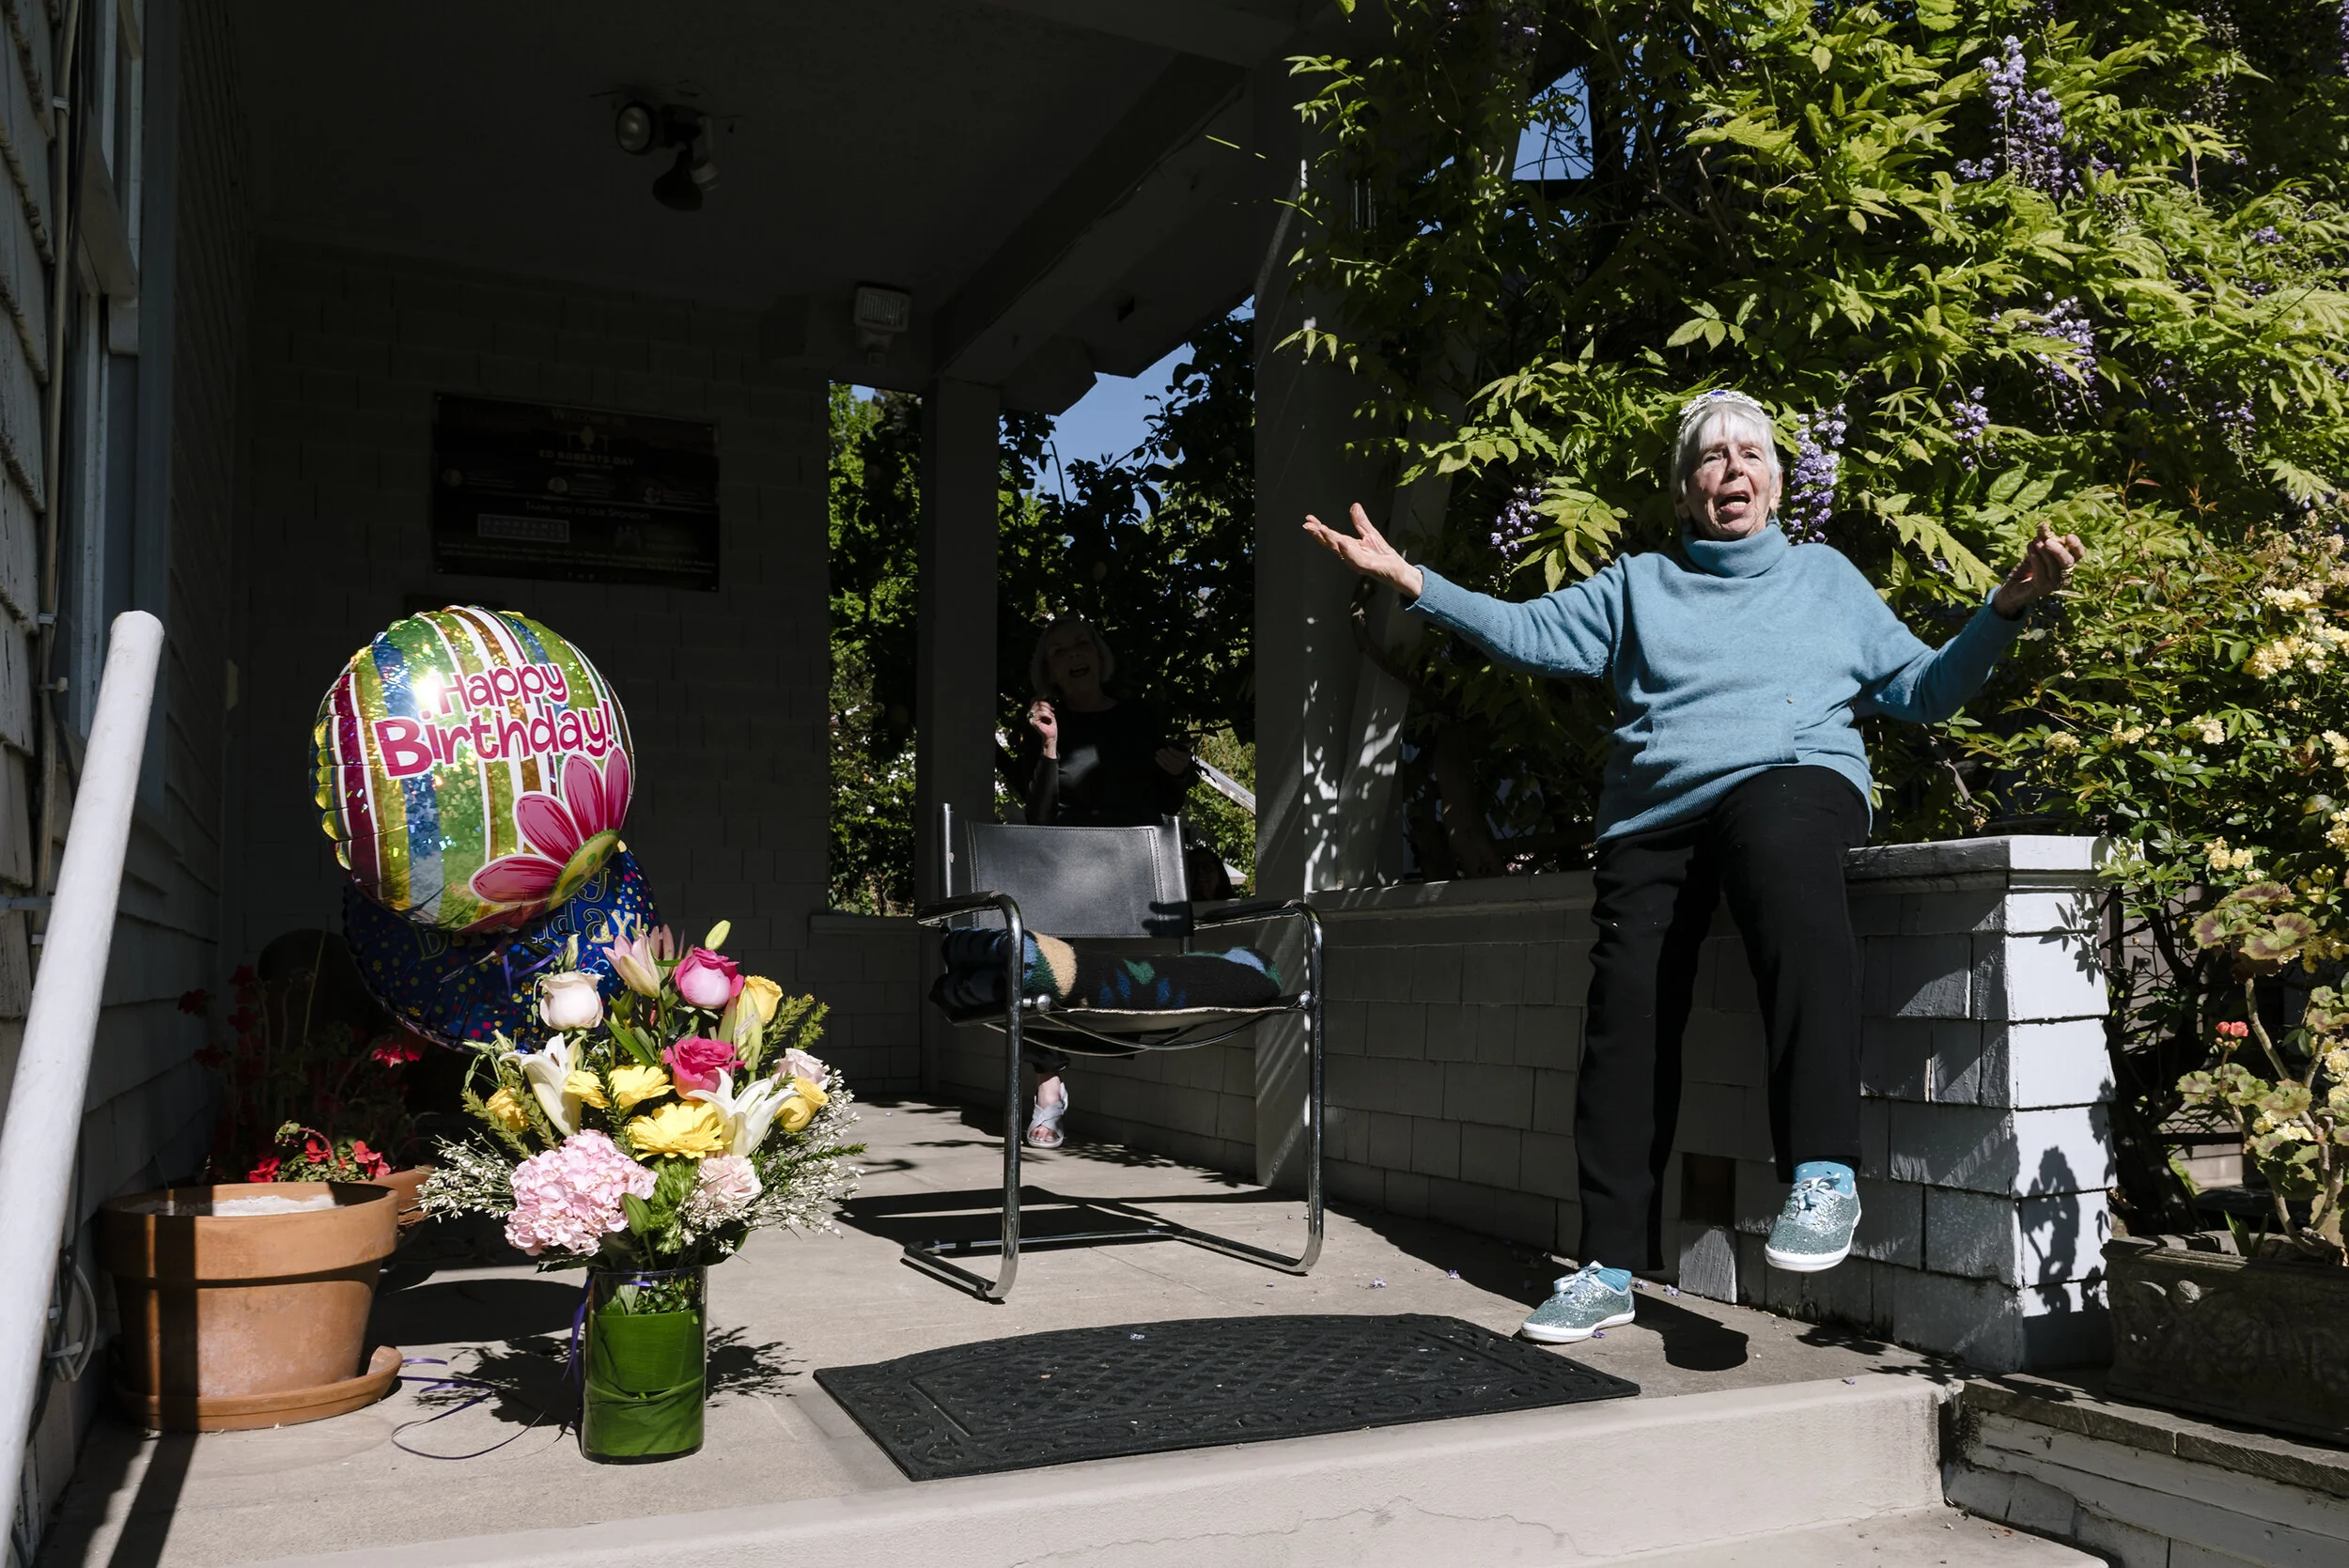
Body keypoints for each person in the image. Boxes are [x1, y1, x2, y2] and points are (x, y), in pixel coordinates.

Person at [1303, 389, 2083, 1344]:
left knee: (1790, 872)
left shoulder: (1825, 580)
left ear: (1778, 482)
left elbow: (1922, 692)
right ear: (1684, 490)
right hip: (1654, 807)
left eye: (1749, 453)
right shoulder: (1637, 584)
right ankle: (1607, 1265)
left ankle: (1823, 1173)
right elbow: (1531, 633)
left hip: (1790, 775)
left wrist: (2003, 607)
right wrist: (1412, 580)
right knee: (1625, 1008)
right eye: (1710, 457)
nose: (1732, 469)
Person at [1017, 615, 1211, 1147]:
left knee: (1119, 974)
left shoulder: (1140, 717)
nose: (1074, 654)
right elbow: (1036, 818)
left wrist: (1176, 774)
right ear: (1049, 669)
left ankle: (1123, 1046)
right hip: (1067, 870)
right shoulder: (1044, 723)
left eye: (1082, 643)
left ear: (1100, 656)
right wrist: (1049, 748)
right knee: (1035, 957)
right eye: (1059, 651)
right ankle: (1049, 1092)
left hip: (1134, 871)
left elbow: (1166, 803)